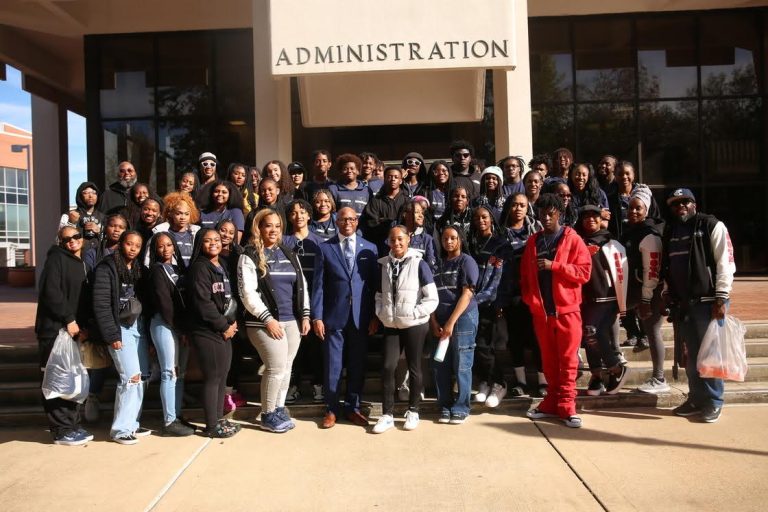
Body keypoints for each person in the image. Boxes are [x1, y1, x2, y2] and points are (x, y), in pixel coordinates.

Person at [664, 188, 735, 423]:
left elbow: (725, 262)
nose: (681, 206)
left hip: (708, 303)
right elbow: (668, 266)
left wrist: (721, 297)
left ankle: (714, 401)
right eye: (676, 204)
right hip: (684, 305)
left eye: (685, 202)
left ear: (694, 204)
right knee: (692, 355)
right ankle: (696, 398)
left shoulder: (711, 225)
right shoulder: (671, 230)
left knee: (711, 356)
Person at [521, 193, 591, 428]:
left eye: (551, 213)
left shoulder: (573, 239)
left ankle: (567, 407)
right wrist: (532, 302)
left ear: (560, 213)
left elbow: (584, 273)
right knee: (549, 362)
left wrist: (556, 266)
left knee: (568, 362)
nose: (547, 217)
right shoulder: (533, 241)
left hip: (568, 312)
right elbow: (526, 278)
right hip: (542, 314)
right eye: (542, 213)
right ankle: (551, 403)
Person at [238, 209, 310, 433]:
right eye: (268, 225)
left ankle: (278, 408)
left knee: (286, 368)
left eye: (277, 226)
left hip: (292, 322)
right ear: (259, 228)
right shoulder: (249, 254)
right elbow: (247, 294)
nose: (273, 230)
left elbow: (302, 285)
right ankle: (268, 414)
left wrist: (305, 315)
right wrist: (267, 319)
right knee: (275, 367)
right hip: (264, 323)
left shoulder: (288, 252)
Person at [312, 207, 378, 429]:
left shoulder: (370, 248)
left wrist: (375, 316)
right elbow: (318, 285)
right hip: (334, 315)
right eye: (343, 219)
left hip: (361, 316)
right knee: (333, 365)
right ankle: (331, 409)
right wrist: (317, 317)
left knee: (357, 364)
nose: (347, 222)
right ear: (336, 221)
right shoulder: (325, 248)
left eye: (351, 219)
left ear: (357, 222)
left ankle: (353, 408)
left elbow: (374, 286)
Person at [372, 226, 438, 433]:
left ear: (408, 239)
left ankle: (413, 410)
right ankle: (387, 414)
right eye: (393, 240)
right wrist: (382, 313)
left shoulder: (419, 263)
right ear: (388, 242)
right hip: (391, 323)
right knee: (388, 367)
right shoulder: (383, 264)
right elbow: (379, 294)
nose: (397, 243)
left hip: (414, 325)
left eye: (400, 239)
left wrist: (415, 314)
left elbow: (432, 298)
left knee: (414, 367)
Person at [35, 226, 93, 446]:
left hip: (73, 332)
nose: (72, 241)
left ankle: (72, 425)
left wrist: (82, 325)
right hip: (54, 332)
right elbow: (51, 292)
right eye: (66, 239)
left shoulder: (82, 264)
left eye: (76, 237)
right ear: (61, 242)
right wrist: (68, 319)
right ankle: (60, 431)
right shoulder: (56, 259)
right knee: (56, 381)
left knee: (72, 380)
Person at [92, 230, 150, 444]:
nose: (133, 248)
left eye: (137, 245)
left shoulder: (137, 269)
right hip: (119, 329)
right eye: (129, 244)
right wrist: (111, 334)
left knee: (141, 377)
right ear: (120, 244)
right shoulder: (106, 268)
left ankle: (132, 422)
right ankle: (120, 429)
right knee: (130, 377)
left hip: (138, 327)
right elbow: (101, 304)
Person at [186, 228, 241, 438]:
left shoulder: (222, 265)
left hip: (224, 329)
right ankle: (210, 426)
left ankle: (218, 420)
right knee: (212, 377)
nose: (213, 244)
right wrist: (223, 326)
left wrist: (232, 323)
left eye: (216, 240)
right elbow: (203, 304)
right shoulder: (200, 268)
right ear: (200, 244)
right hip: (207, 330)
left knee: (221, 376)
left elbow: (228, 298)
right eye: (208, 241)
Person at [577, 205, 631, 396]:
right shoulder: (578, 242)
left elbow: (621, 273)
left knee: (595, 334)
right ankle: (597, 377)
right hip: (587, 298)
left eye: (594, 216)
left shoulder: (612, 243)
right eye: (585, 217)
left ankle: (616, 367)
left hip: (607, 297)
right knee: (589, 336)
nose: (590, 219)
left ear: (601, 219)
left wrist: (621, 303)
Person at [495, 193, 545, 397]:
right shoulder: (500, 233)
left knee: (536, 337)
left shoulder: (537, 229)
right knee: (515, 339)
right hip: (511, 293)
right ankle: (521, 382)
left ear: (527, 208)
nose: (518, 208)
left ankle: (543, 381)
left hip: (534, 291)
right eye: (514, 204)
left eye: (522, 205)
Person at [146, 232, 195, 436]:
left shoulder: (177, 269)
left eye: (168, 245)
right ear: (155, 250)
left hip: (180, 327)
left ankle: (176, 414)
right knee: (169, 372)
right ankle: (168, 421)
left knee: (180, 374)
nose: (165, 249)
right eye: (160, 246)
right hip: (165, 324)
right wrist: (179, 328)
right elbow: (165, 304)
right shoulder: (157, 270)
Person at [621, 185, 669, 394]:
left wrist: (646, 299)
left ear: (647, 210)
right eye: (630, 207)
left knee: (652, 330)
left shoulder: (650, 235)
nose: (633, 212)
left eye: (638, 208)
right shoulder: (631, 231)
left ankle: (659, 378)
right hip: (635, 291)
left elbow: (653, 272)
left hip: (651, 292)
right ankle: (615, 363)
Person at [431, 226, 479, 425]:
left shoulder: (466, 261)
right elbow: (430, 296)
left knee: (462, 364)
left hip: (462, 319)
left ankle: (461, 407)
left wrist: (451, 322)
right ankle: (445, 404)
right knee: (440, 364)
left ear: (460, 239)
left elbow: (467, 293)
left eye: (453, 238)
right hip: (440, 321)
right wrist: (433, 321)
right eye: (445, 238)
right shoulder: (438, 265)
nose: (449, 242)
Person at [283, 199, 325, 404]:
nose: (298, 216)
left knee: (316, 349)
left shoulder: (320, 243)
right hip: (291, 302)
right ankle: (293, 386)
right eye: (293, 212)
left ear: (309, 215)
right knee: (293, 349)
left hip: (314, 301)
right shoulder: (284, 243)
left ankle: (319, 385)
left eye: (302, 212)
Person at [467, 206, 507, 407]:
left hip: (493, 302)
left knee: (493, 346)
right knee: (478, 346)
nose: (480, 220)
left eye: (484, 217)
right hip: (473, 301)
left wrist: (490, 299)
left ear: (492, 219)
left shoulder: (500, 245)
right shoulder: (471, 243)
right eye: (477, 218)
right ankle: (484, 381)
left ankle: (499, 383)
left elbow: (499, 278)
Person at [361, 166, 408, 255]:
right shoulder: (376, 201)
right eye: (389, 177)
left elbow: (407, 224)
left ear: (401, 181)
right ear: (384, 179)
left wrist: (384, 220)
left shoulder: (407, 201)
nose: (393, 179)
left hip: (402, 247)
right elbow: (372, 223)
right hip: (381, 246)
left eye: (396, 177)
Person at [151, 192, 201, 271]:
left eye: (186, 214)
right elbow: (149, 259)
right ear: (170, 213)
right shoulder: (161, 233)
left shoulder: (196, 233)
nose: (183, 217)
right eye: (178, 214)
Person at [59, 181, 105, 252]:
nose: (90, 196)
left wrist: (99, 231)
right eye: (86, 193)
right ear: (80, 195)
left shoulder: (104, 217)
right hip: (77, 258)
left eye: (94, 192)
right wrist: (71, 223)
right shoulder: (68, 216)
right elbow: (60, 239)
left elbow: (110, 242)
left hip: (98, 258)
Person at [399, 200, 438, 271]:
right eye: (417, 212)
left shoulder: (427, 239)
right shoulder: (396, 236)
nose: (421, 216)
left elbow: (431, 267)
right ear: (405, 214)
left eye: (422, 213)